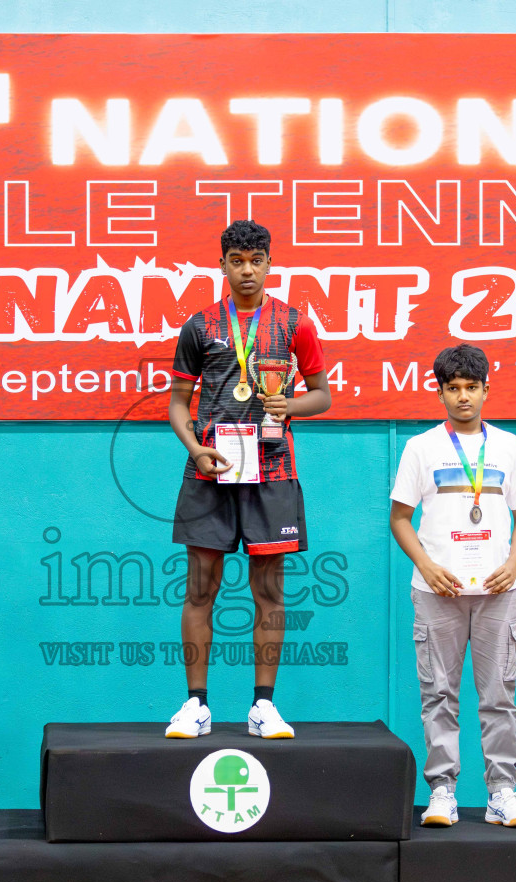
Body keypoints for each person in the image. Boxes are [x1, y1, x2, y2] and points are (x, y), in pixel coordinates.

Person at [165, 219, 330, 740]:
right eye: (236, 261)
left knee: (270, 593)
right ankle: (196, 706)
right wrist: (195, 447)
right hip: (211, 470)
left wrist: (291, 403)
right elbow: (176, 406)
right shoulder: (199, 327)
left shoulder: (295, 323)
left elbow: (322, 396)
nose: (247, 270)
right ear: (222, 265)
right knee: (200, 590)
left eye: (256, 261)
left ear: (269, 263)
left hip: (273, 471)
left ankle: (263, 707)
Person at [389, 344, 516, 828]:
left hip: (499, 591)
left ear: (486, 389)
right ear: (440, 393)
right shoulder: (421, 447)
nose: (462, 397)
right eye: (452, 389)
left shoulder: (510, 447)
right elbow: (400, 519)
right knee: (438, 694)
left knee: (499, 694)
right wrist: (427, 566)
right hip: (437, 593)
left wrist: (513, 564)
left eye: (471, 388)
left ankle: (501, 792)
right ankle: (443, 792)